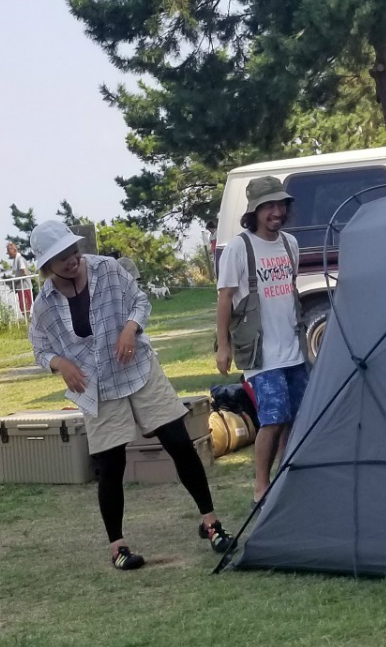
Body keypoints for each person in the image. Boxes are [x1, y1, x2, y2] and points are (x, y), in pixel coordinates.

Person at [27, 220, 233, 570]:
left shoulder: (107, 269)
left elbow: (139, 301)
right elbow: (40, 349)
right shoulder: (44, 304)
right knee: (111, 465)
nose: (71, 260)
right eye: (60, 258)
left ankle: (211, 522)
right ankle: (118, 547)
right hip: (97, 385)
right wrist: (60, 363)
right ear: (47, 267)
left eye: (72, 251)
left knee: (179, 443)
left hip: (137, 367)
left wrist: (129, 328)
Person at [215, 176, 307, 503]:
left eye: (281, 205)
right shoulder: (240, 248)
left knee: (294, 417)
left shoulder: (289, 244)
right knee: (273, 418)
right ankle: (261, 486)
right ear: (255, 211)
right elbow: (225, 298)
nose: (276, 212)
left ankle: (285, 478)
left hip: (293, 350)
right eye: (269, 206)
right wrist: (223, 345)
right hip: (260, 353)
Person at [6, 241, 34, 315]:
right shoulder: (17, 260)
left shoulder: (20, 259)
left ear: (14, 250)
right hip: (21, 287)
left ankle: (28, 321)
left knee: (26, 307)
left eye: (9, 251)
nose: (8, 253)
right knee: (23, 307)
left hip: (25, 287)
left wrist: (16, 281)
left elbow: (24, 272)